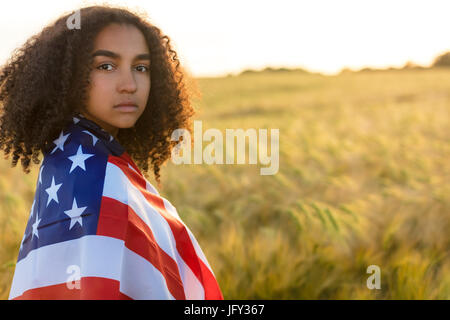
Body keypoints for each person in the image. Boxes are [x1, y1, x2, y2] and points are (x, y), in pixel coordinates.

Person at [0, 5, 223, 300]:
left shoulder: (74, 157)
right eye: (106, 66)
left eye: (141, 67)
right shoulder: (94, 172)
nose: (130, 85)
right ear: (65, 77)